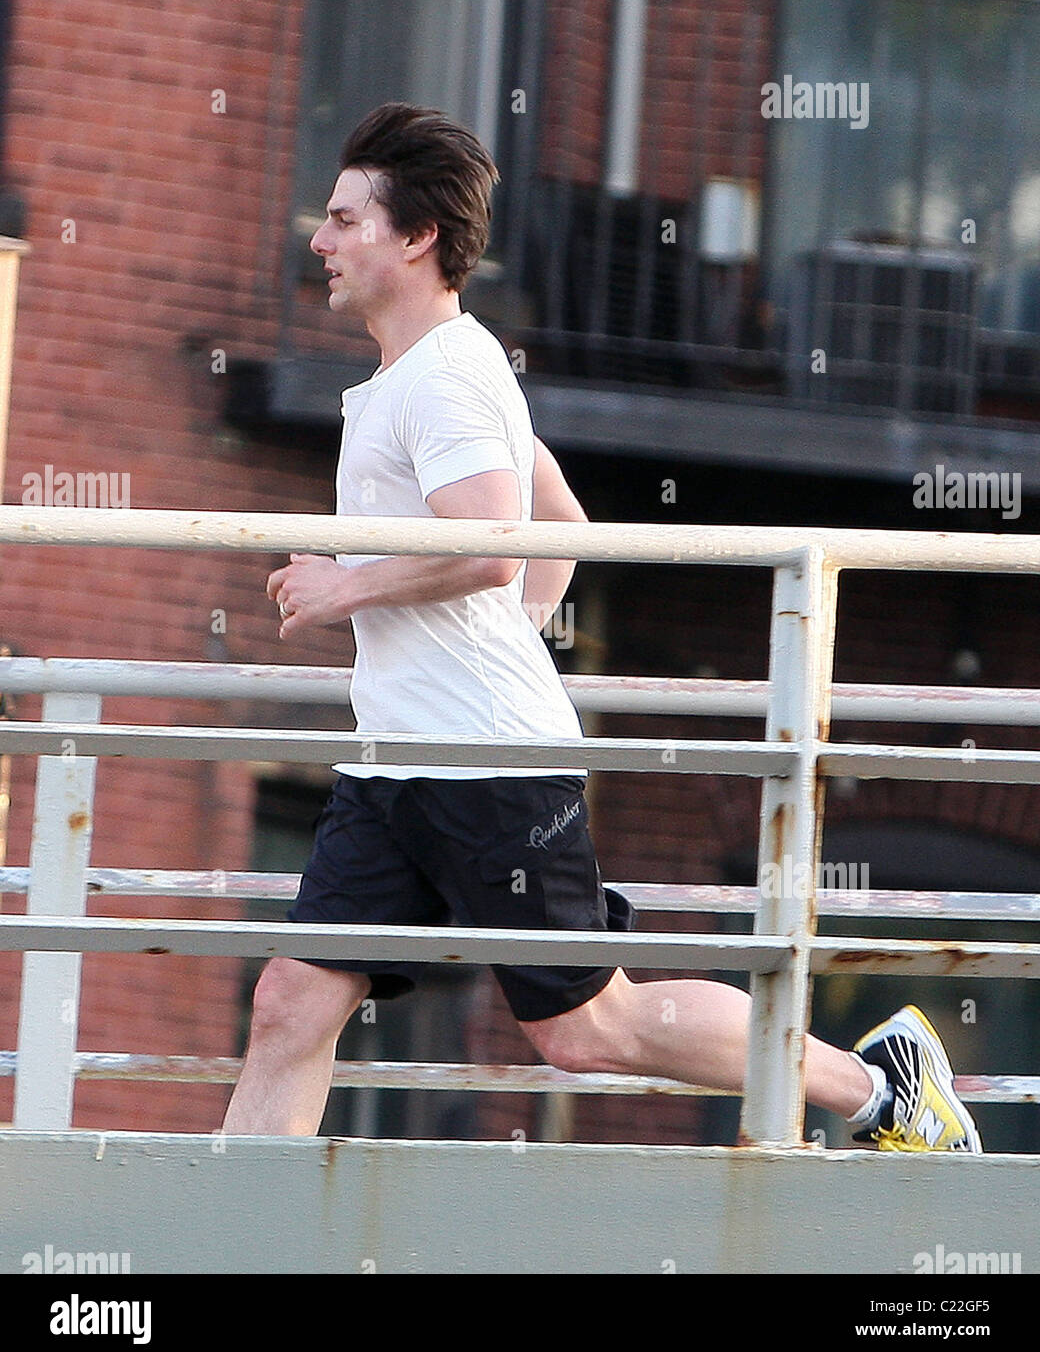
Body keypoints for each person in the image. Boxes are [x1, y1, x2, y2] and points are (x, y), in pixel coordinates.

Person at [221, 103, 981, 1155]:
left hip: (486, 769)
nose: (320, 239)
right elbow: (560, 525)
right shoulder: (430, 369)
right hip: (397, 761)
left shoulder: (445, 374)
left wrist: (345, 591)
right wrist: (502, 647)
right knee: (290, 1003)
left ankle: (874, 1086)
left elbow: (495, 544)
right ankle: (236, 1243)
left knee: (587, 1028)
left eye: (346, 218)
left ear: (415, 238)